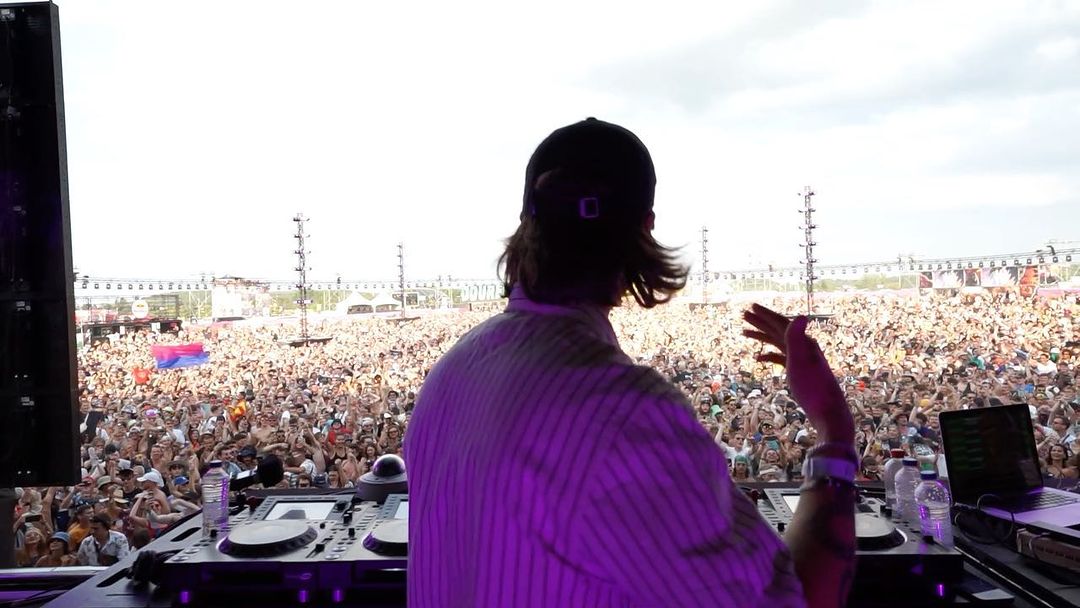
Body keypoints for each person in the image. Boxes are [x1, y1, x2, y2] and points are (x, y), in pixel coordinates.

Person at [405, 118, 856, 607]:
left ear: (525, 225)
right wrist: (834, 430)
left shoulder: (451, 373)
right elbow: (799, 600)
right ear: (644, 229)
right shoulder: (625, 415)